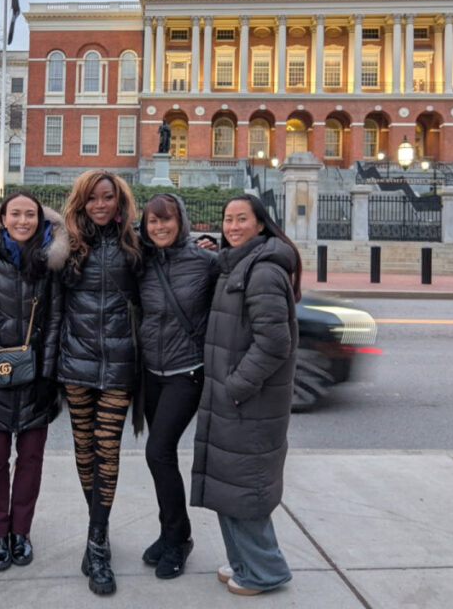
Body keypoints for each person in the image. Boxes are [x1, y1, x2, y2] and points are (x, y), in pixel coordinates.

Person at [191, 194, 302, 597]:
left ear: (260, 224)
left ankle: (264, 569)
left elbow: (275, 342)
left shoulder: (263, 271)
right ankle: (245, 561)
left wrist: (236, 386)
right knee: (231, 487)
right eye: (227, 220)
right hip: (233, 400)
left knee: (246, 489)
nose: (233, 226)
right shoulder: (238, 264)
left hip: (247, 402)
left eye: (242, 220)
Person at [0, 192, 68, 571]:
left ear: (40, 219)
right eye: (15, 214)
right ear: (3, 219)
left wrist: (48, 376)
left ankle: (21, 532)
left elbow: (55, 322)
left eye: (30, 215)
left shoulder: (51, 262)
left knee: (31, 461)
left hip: (35, 373)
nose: (23, 221)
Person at [59, 169, 142, 595]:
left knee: (108, 450)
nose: (101, 204)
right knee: (84, 451)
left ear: (119, 200)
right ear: (81, 201)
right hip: (76, 363)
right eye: (93, 198)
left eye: (108, 197)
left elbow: (174, 263)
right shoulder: (67, 243)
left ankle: (96, 544)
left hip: (120, 365)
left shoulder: (135, 242)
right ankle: (100, 533)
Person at [137, 193, 218, 580]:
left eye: (166, 220)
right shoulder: (143, 261)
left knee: (158, 452)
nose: (159, 228)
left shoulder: (205, 262)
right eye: (152, 222)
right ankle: (168, 531)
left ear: (180, 221)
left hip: (187, 371)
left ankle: (179, 538)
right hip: (152, 372)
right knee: (161, 458)